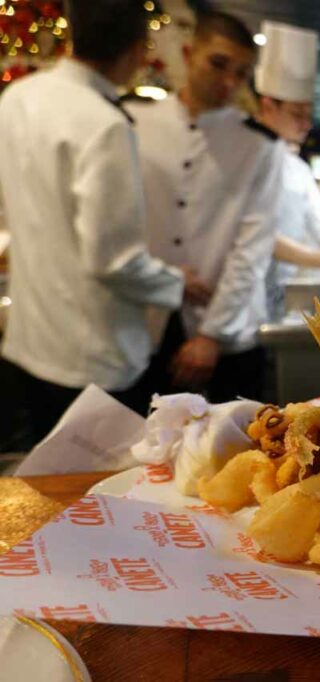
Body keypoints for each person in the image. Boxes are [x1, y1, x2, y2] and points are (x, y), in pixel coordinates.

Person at [0, 0, 184, 441]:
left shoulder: (16, 97)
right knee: (99, 497)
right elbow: (113, 260)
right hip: (95, 355)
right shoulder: (103, 123)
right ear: (138, 50)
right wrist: (177, 285)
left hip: (29, 339)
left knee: (45, 487)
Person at [128, 11, 284, 403]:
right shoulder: (133, 122)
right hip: (143, 324)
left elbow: (252, 247)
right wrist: (160, 275)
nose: (229, 82)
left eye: (242, 72)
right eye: (218, 64)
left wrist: (212, 335)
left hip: (227, 332)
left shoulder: (260, 145)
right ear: (188, 52)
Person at [252, 21, 320, 317]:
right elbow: (263, 237)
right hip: (244, 298)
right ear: (268, 106)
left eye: (308, 114)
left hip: (284, 294)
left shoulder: (298, 167)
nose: (306, 123)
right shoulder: (246, 161)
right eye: (296, 114)